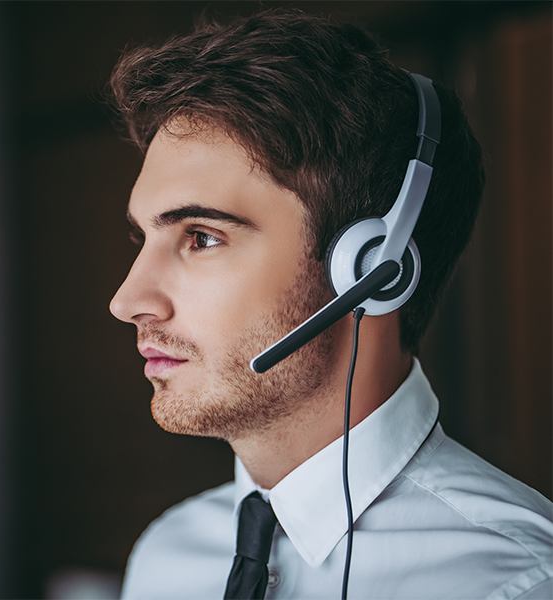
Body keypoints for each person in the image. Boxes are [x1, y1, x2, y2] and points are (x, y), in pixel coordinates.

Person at [106, 9, 553, 600]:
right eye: (145, 239)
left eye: (202, 237)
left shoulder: (515, 581)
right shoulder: (167, 557)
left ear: (373, 269)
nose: (127, 301)